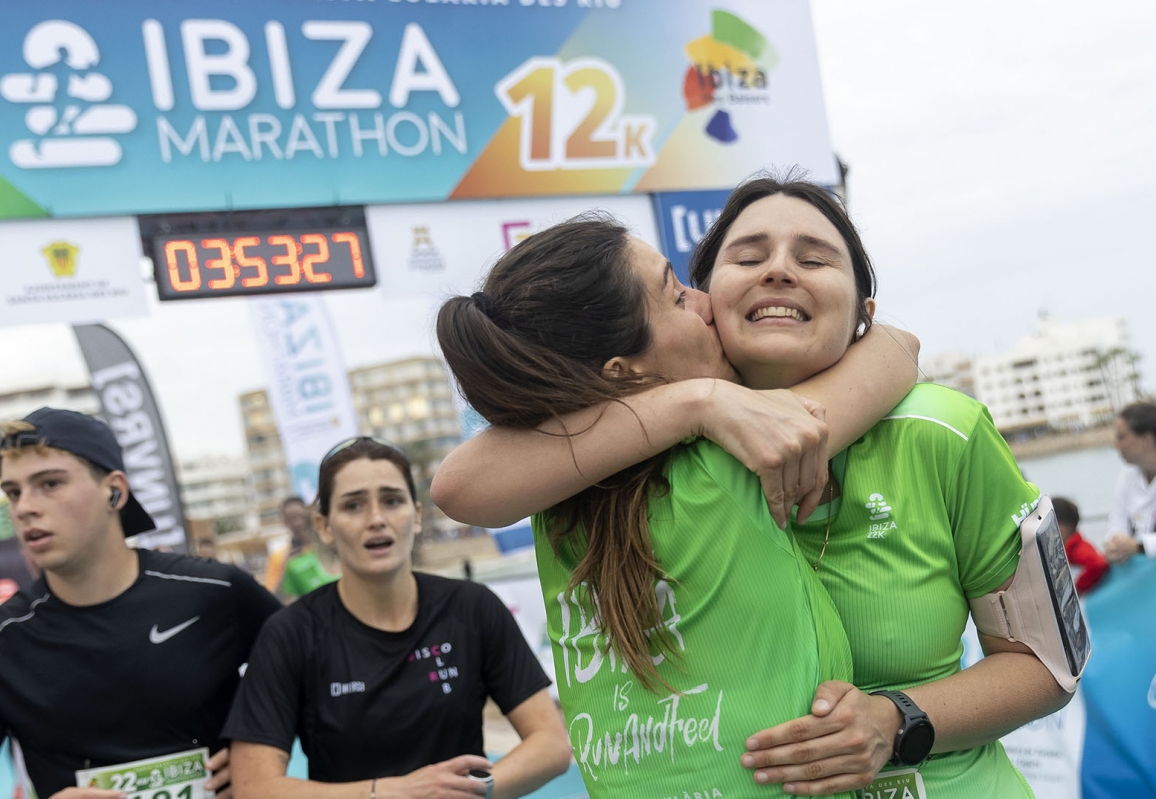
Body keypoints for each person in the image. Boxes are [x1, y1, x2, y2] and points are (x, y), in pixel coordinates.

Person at [433, 178, 1076, 798]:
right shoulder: (591, 472)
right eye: (745, 258)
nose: (778, 271)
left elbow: (1049, 663)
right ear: (714, 299)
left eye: (815, 258)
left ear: (864, 310)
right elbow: (460, 485)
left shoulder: (946, 430)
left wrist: (897, 719)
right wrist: (700, 402)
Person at [0, 407, 283, 799]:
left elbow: (319, 690)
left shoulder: (216, 591)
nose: (24, 507)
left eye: (50, 484)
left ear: (115, 491)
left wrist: (259, 755)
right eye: (13, 492)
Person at [224, 436, 571, 799]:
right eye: (353, 506)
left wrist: (466, 791)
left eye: (392, 501)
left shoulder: (472, 607)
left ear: (416, 515)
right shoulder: (290, 634)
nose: (376, 520)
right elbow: (254, 788)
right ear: (324, 526)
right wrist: (390, 793)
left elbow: (550, 744)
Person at [1103, 401, 1156, 565]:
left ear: (1146, 440)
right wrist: (1114, 545)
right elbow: (1116, 524)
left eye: (1122, 437)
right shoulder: (1127, 475)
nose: (1116, 445)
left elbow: (1137, 545)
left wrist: (1138, 546)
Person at [1050, 496, 1109, 594]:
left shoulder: (1078, 548)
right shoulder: (1066, 549)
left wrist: (1075, 590)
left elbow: (1098, 563)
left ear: (1062, 527)